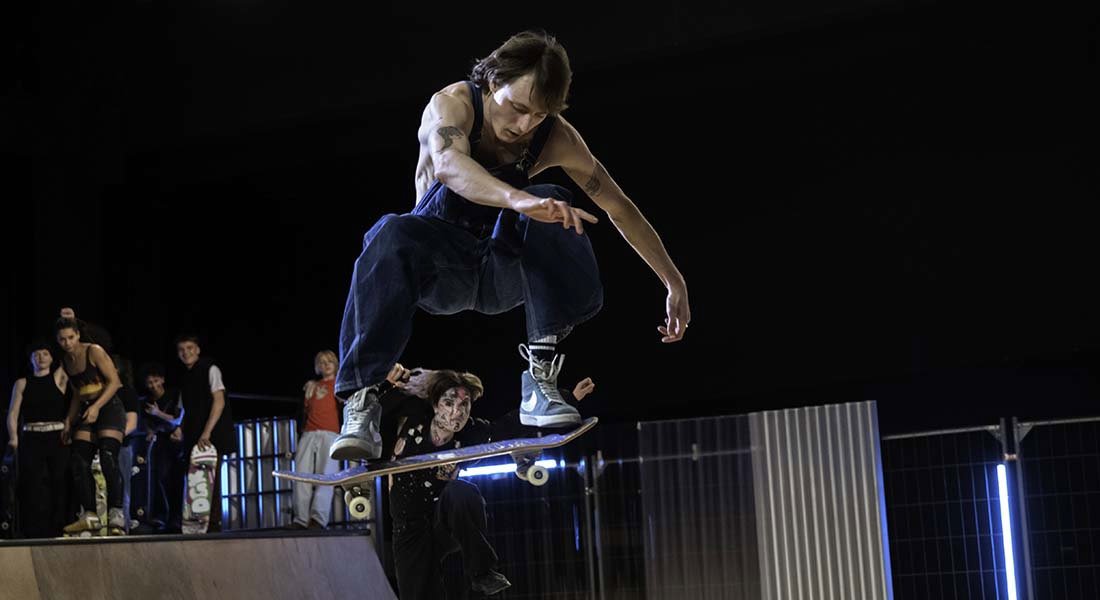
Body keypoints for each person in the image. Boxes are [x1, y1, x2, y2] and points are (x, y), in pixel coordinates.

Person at [330, 30, 690, 462]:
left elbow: (619, 207)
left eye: (538, 116)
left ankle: (540, 377)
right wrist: (523, 199)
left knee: (558, 203)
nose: (523, 126)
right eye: (518, 108)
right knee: (389, 231)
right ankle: (362, 401)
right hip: (438, 270)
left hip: (500, 272)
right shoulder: (452, 106)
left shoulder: (557, 138)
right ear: (491, 80)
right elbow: (449, 166)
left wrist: (673, 280)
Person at [383, 364, 596, 598]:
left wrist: (570, 398)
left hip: (443, 520)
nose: (457, 412)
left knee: (461, 491)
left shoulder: (473, 435)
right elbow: (380, 411)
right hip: (408, 528)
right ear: (435, 405)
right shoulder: (415, 414)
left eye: (464, 405)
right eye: (449, 403)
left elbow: (516, 425)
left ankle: (483, 573)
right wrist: (392, 384)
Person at [55, 317, 129, 535]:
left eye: (70, 337)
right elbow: (77, 393)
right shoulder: (66, 361)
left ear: (78, 335)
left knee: (107, 458)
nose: (67, 343)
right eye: (62, 339)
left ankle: (116, 514)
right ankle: (89, 514)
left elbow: (115, 382)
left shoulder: (93, 351)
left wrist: (97, 406)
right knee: (79, 461)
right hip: (88, 409)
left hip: (108, 408)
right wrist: (68, 420)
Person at [5, 341, 71, 537]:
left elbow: (72, 352)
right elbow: (12, 413)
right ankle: (32, 530)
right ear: (31, 358)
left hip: (57, 437)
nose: (41, 357)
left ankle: (58, 527)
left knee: (58, 481)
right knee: (31, 483)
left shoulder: (60, 377)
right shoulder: (22, 382)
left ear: (52, 357)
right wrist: (13, 438)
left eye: (45, 353)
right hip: (32, 437)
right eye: (37, 354)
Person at [173, 334, 236, 533]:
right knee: (195, 481)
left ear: (197, 350)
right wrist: (179, 429)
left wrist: (207, 432)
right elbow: (185, 409)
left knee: (211, 480)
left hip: (211, 435)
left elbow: (219, 400)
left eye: (190, 348)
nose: (186, 353)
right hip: (193, 435)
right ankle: (196, 522)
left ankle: (213, 525)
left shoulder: (210, 368)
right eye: (182, 350)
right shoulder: (185, 377)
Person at [290, 350, 343, 529]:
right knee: (301, 474)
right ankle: (300, 518)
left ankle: (318, 518)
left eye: (329, 361)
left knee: (326, 475)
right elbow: (303, 411)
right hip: (309, 432)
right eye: (321, 362)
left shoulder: (340, 383)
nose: (325, 365)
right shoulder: (312, 386)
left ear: (335, 364)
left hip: (331, 433)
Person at [138, 363, 184, 533]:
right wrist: (150, 432)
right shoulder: (146, 402)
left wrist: (158, 414)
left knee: (177, 479)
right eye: (150, 382)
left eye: (156, 381)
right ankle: (163, 516)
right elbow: (147, 425)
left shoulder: (175, 393)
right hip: (160, 443)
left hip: (177, 441)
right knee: (161, 478)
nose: (153, 385)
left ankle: (177, 517)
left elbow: (178, 419)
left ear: (162, 379)